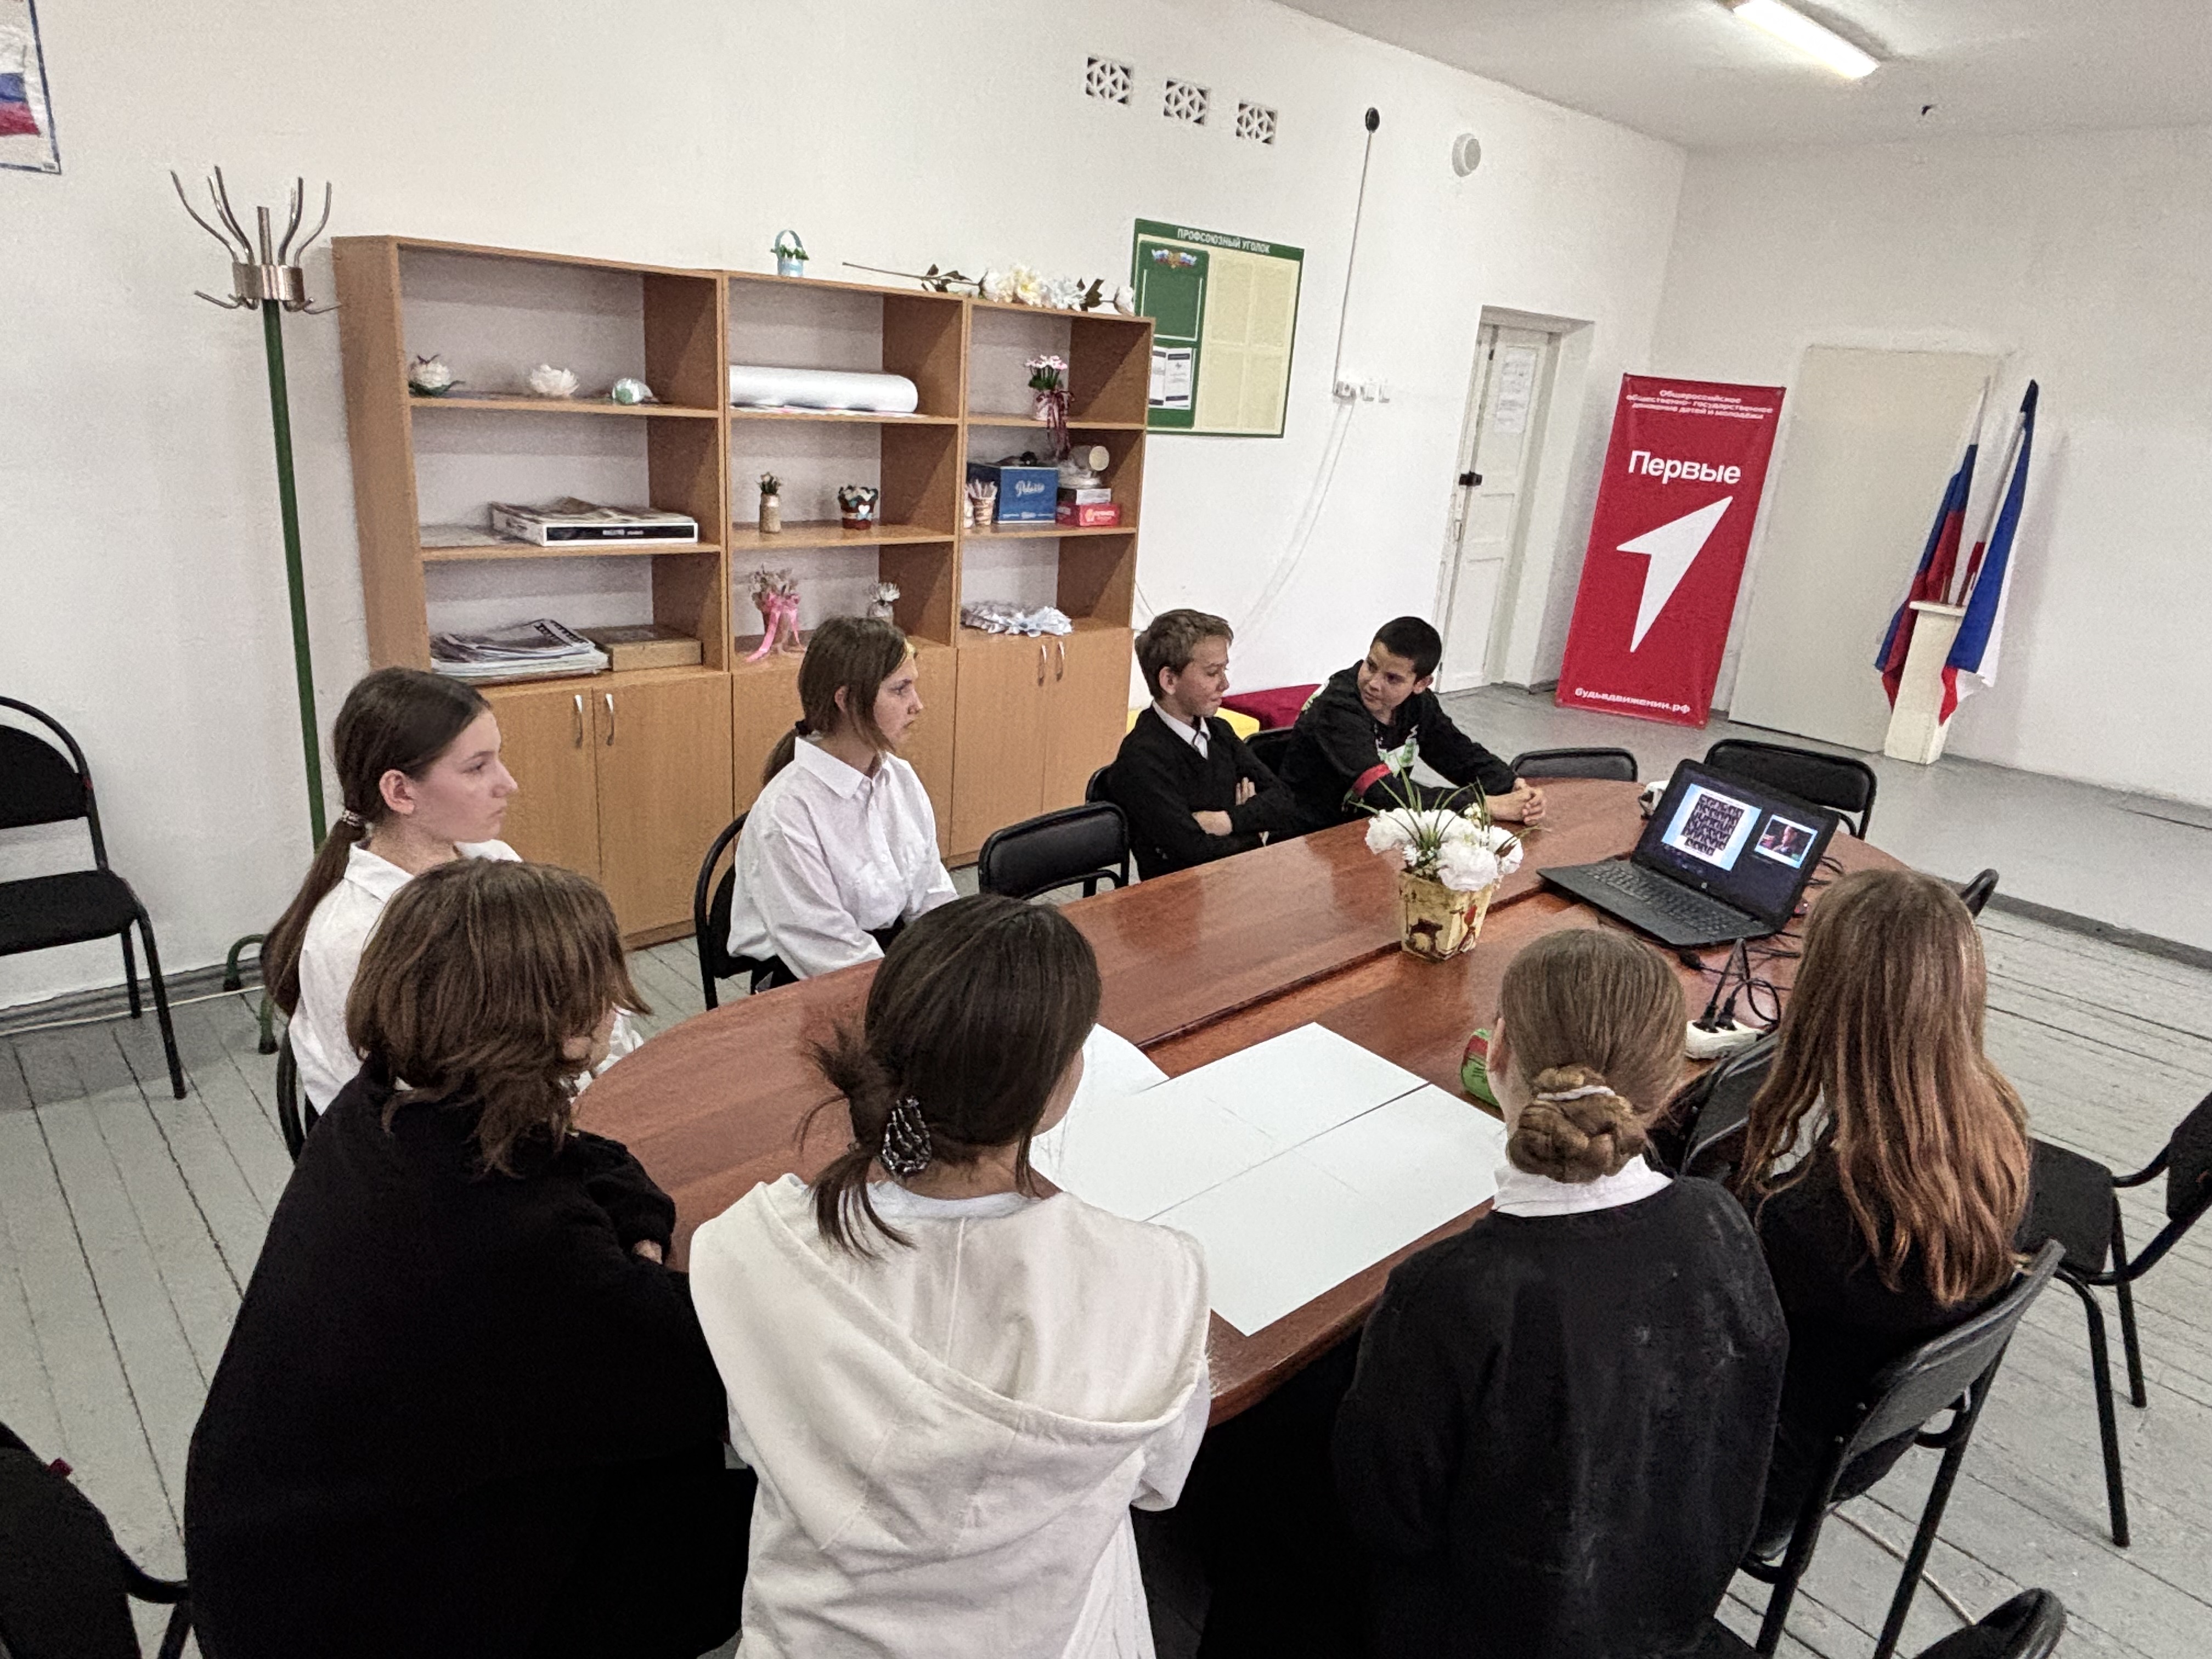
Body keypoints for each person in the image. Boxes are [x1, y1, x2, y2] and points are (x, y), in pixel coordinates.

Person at [185, 859, 752, 1659]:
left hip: (282, 1552)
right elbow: (708, 1366)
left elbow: (596, 1159)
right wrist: (639, 1260)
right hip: (371, 1613)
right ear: (553, 1021)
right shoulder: (515, 1234)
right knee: (757, 1504)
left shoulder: (379, 1112)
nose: (615, 1001)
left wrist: (638, 1230)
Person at [689, 895, 1212, 1657]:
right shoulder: (1155, 1281)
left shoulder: (753, 1248)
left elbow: (751, 1432)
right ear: (1057, 1085)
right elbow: (1158, 1483)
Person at [1334, 927, 1786, 1659]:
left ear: (1497, 1052)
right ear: (1668, 1080)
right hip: (1669, 1615)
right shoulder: (1722, 1223)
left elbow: (1386, 1519)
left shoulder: (1449, 1293)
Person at [1735, 868, 2032, 1549]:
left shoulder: (1813, 1224)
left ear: (1826, 998)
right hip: (1850, 1449)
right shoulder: (2000, 1135)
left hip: (1757, 1482)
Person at [264, 666, 634, 1111]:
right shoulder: (351, 939)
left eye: (498, 759)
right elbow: (403, 1116)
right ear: (400, 791)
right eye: (477, 767)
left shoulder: (494, 859)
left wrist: (621, 1087)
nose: (508, 784)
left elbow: (589, 1009)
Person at [726, 614, 957, 981]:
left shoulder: (899, 778)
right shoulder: (786, 813)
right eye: (900, 690)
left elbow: (932, 897)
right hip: (807, 977)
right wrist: (918, 989)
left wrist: (958, 960)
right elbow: (826, 950)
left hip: (886, 959)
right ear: (847, 700)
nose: (917, 705)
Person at [1274, 616, 1545, 835]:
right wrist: (1484, 805)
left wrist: (1513, 787)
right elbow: (1381, 793)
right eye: (1371, 666)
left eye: (1392, 679)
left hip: (1374, 828)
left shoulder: (1418, 704)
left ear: (1421, 684)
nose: (1373, 683)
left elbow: (1458, 753)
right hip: (1311, 835)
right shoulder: (1337, 707)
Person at [1105, 608, 1299, 878]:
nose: (1225, 684)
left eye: (1224, 670)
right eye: (1212, 673)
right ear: (1170, 680)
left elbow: (1286, 803)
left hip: (1240, 880)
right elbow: (1192, 853)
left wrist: (1227, 821)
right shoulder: (1141, 758)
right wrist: (1253, 830)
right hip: (1182, 893)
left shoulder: (1219, 731)